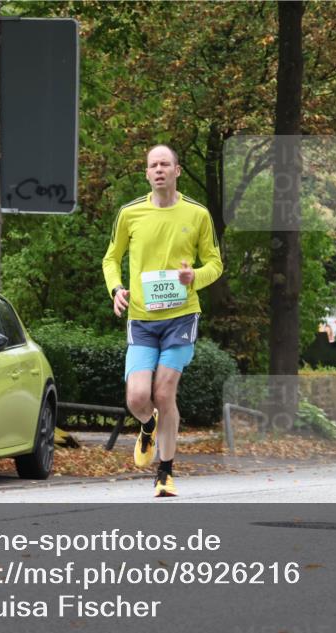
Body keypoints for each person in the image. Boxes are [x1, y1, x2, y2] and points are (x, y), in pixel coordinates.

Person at [102, 145, 223, 497]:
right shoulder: (130, 213)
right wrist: (116, 289)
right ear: (146, 173)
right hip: (141, 318)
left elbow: (215, 264)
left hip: (181, 316)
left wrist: (194, 277)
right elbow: (111, 259)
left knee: (164, 392)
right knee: (138, 397)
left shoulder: (197, 214)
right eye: (153, 165)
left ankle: (165, 472)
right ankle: (147, 423)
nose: (159, 170)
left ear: (177, 171)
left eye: (165, 164)